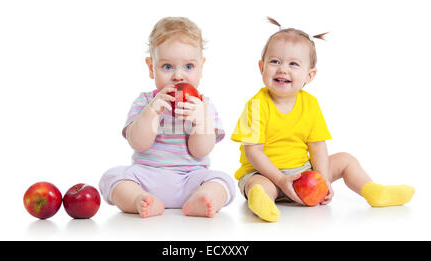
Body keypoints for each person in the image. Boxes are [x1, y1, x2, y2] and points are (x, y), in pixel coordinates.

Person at [231, 17, 415, 222]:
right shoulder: (255, 105)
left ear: (309, 76)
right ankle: (261, 201)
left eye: (293, 64)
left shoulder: (310, 104)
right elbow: (253, 153)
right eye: (275, 61)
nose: (283, 69)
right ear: (261, 67)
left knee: (345, 160)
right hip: (265, 174)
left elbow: (317, 145)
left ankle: (373, 191)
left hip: (303, 173)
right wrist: (281, 180)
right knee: (258, 185)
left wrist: (323, 179)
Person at [99, 17, 235, 218]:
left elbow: (201, 151)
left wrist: (200, 122)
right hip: (146, 178)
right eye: (167, 67)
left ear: (201, 66)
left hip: (190, 179)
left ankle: (202, 199)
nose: (178, 76)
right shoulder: (144, 102)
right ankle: (140, 200)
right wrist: (151, 113)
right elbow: (138, 144)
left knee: (223, 181)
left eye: (188, 66)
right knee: (112, 177)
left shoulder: (203, 106)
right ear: (151, 67)